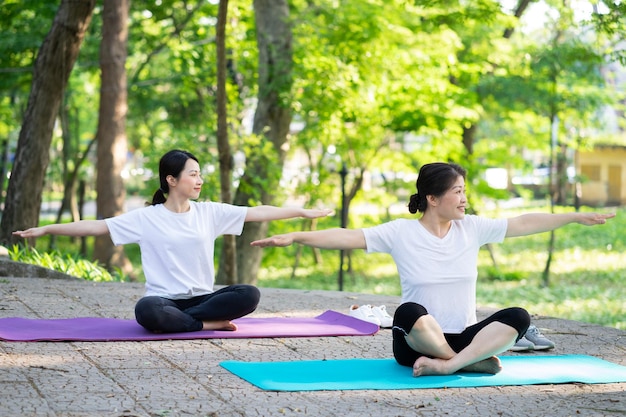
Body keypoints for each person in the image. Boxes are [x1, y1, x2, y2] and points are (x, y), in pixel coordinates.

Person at [251, 162, 615, 376]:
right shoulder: (400, 232)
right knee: (410, 311)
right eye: (457, 192)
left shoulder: (470, 227)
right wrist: (296, 236)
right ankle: (464, 363)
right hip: (416, 342)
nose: (464, 199)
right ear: (432, 198)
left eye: (463, 191)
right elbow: (346, 236)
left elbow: (521, 222)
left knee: (517, 316)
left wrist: (573, 217)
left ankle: (447, 364)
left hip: (464, 336)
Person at [13, 149, 331, 334]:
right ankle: (208, 326)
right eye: (193, 174)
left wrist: (299, 211)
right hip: (165, 302)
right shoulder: (147, 217)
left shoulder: (209, 213)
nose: (199, 180)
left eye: (199, 174)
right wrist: (46, 229)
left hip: (204, 298)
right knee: (146, 311)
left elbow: (257, 212)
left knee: (248, 293)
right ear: (171, 179)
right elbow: (96, 227)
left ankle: (198, 320)